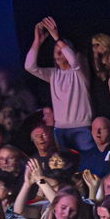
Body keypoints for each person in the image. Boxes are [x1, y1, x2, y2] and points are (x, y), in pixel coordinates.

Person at [24, 18, 96, 157]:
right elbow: (29, 66)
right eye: (55, 50)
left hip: (82, 127)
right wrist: (37, 41)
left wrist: (57, 38)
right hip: (60, 129)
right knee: (65, 167)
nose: (57, 53)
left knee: (86, 163)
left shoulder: (80, 71)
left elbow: (74, 61)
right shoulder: (53, 74)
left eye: (61, 50)